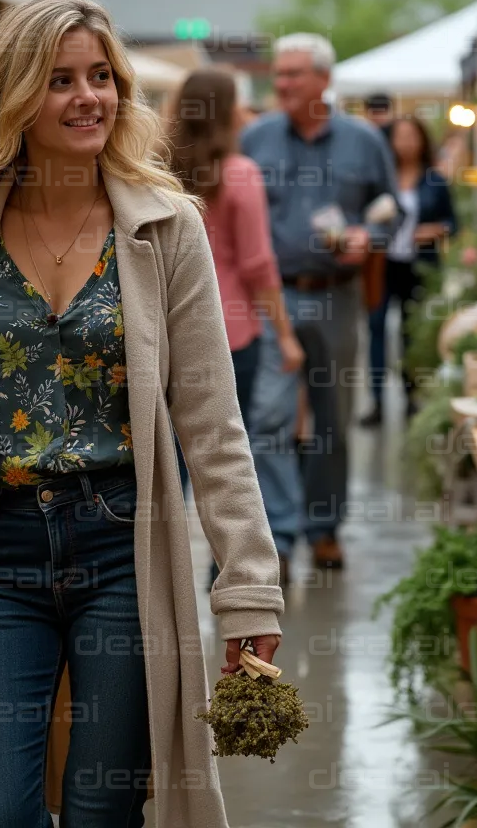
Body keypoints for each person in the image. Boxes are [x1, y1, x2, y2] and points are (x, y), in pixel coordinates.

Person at [0, 0, 284, 828]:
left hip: (124, 544)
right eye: (61, 80)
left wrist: (249, 588)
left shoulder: (166, 230)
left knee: (101, 810)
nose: (90, 97)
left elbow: (214, 428)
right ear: (15, 97)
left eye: (102, 76)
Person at [241, 32, 398, 571]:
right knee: (267, 420)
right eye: (278, 74)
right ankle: (279, 538)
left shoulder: (363, 140)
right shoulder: (255, 138)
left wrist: (369, 237)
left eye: (293, 74)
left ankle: (324, 529)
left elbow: (390, 206)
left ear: (324, 79)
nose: (281, 83)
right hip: (273, 298)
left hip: (338, 297)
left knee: (332, 420)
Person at [169, 69, 304, 580]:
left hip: (166, 331)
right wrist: (286, 335)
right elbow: (258, 266)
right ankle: (228, 565)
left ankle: (160, 566)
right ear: (227, 112)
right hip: (233, 332)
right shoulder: (240, 173)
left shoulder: (158, 170)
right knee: (225, 454)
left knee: (172, 458)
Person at [361, 117, 457, 427]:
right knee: (375, 328)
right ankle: (376, 400)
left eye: (411, 136)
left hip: (418, 266)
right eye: (399, 137)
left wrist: (433, 230)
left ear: (422, 140)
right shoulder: (379, 178)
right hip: (382, 263)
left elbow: (452, 223)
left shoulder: (434, 180)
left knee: (410, 332)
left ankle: (410, 397)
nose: (405, 143)